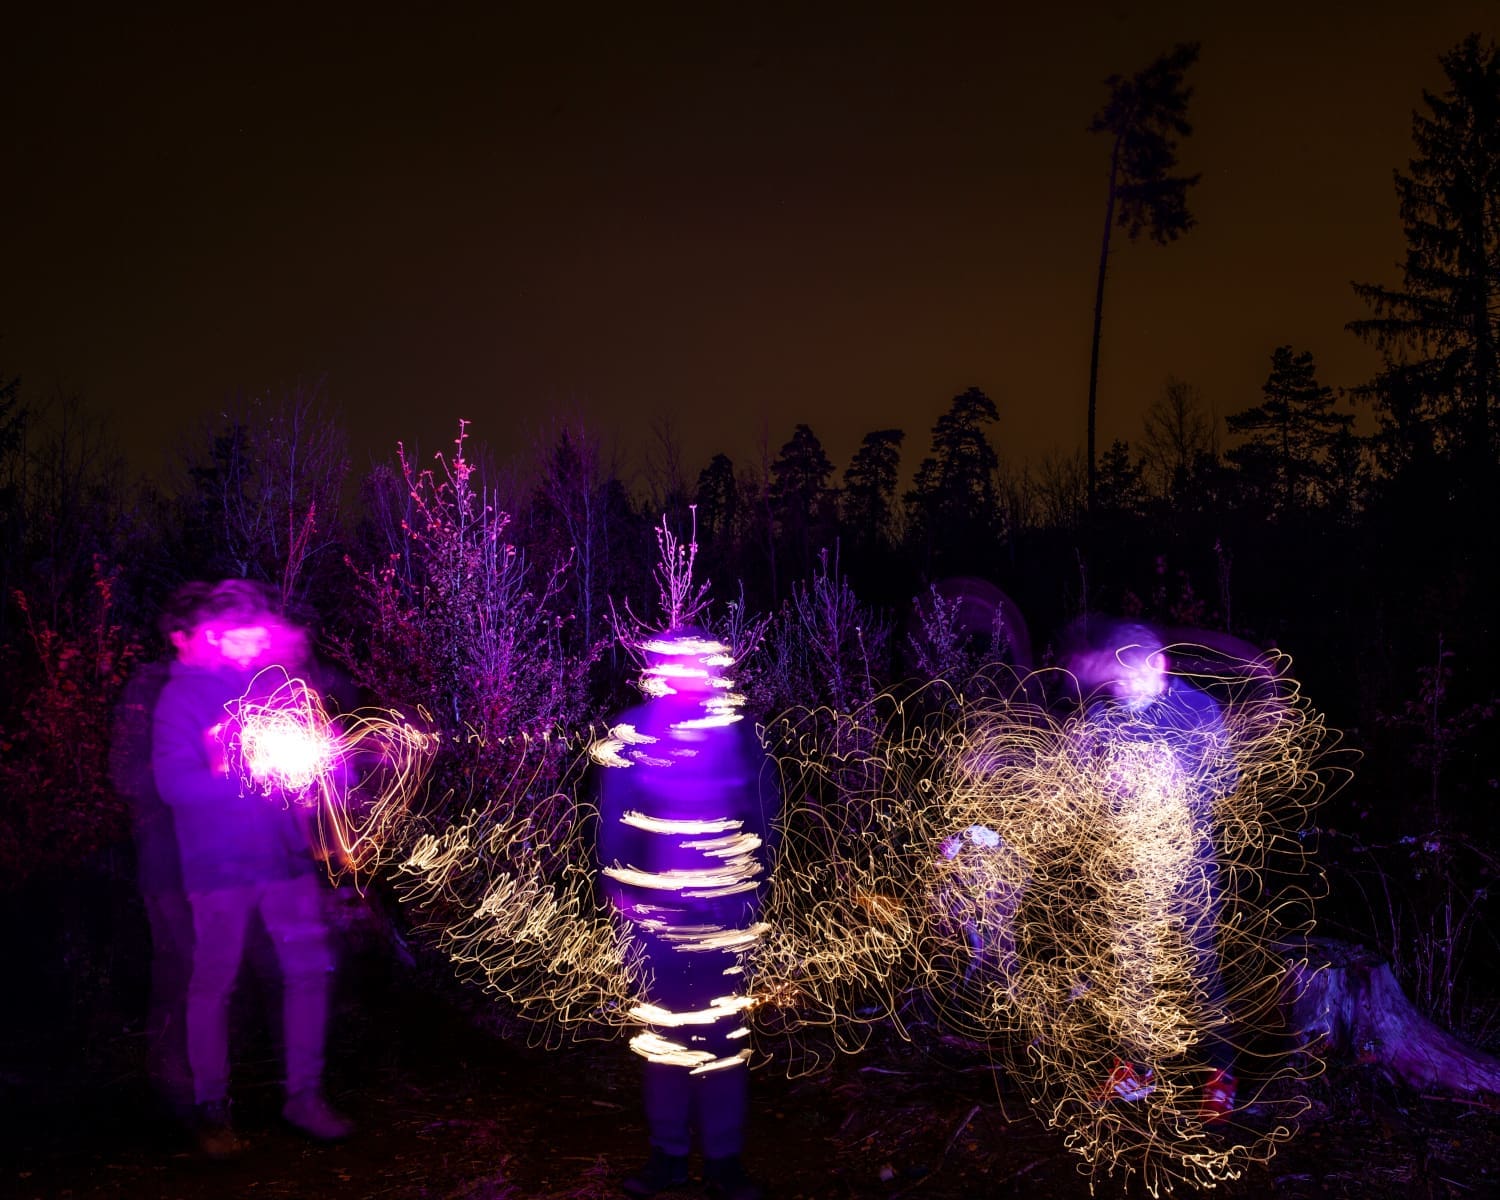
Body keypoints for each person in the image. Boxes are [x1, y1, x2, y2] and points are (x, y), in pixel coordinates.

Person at [150, 579, 353, 1154]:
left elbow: (316, 760)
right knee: (215, 982)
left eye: (254, 633)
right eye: (234, 633)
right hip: (218, 868)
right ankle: (213, 1109)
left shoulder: (272, 686)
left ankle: (304, 1098)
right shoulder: (181, 698)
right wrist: (231, 772)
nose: (246, 643)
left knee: (308, 973)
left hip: (282, 857)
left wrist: (323, 769)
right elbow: (174, 785)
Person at [595, 629, 780, 1200]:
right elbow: (612, 814)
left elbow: (762, 808)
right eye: (675, 662)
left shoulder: (738, 734)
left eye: (696, 663)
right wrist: (621, 888)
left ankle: (722, 1161)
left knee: (723, 1035)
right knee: (665, 1036)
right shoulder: (635, 731)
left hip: (723, 912)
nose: (686, 672)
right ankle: (670, 1156)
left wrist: (755, 885)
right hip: (658, 917)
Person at [1064, 621, 1239, 1120]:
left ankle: (1220, 1073)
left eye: (1128, 678)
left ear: (1157, 666)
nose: (1119, 689)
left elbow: (1224, 784)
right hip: (1129, 867)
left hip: (1190, 867)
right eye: (1114, 680)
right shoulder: (1102, 717)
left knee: (1199, 967)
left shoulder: (1199, 709)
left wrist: (1169, 783)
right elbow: (1080, 789)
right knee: (1130, 968)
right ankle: (1137, 1069)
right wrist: (1106, 786)